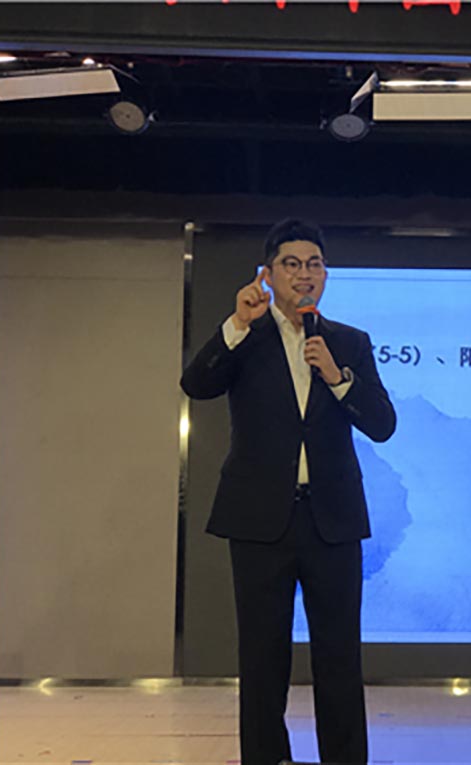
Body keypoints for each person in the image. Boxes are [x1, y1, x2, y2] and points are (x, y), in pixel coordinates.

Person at [180, 219, 396, 765]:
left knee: (339, 655)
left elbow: (382, 424)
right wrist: (236, 323)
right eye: (292, 264)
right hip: (260, 521)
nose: (305, 274)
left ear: (325, 275)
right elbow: (196, 385)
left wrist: (338, 378)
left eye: (314, 264)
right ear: (269, 273)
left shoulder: (348, 342)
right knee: (262, 656)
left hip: (333, 520)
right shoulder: (246, 335)